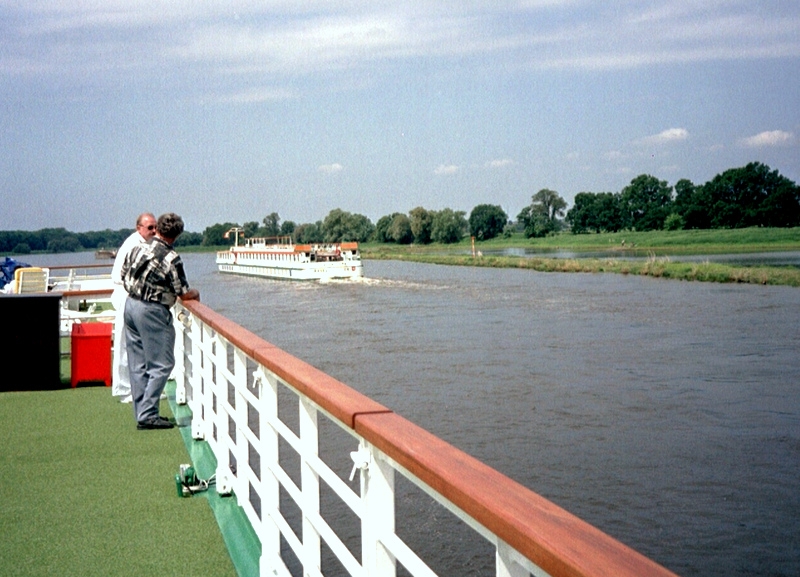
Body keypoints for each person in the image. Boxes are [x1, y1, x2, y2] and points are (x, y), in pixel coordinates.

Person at [122, 212, 200, 430]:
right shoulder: (171, 258)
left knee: (138, 364)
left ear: (157, 229)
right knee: (162, 364)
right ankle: (147, 414)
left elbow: (123, 274)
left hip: (130, 306)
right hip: (152, 310)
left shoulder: (137, 248)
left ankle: (142, 412)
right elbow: (183, 292)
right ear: (176, 236)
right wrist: (196, 293)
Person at [111, 213, 157, 402]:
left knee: (139, 345)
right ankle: (124, 389)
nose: (154, 231)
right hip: (126, 296)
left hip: (137, 298)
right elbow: (117, 275)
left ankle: (140, 387)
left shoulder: (147, 244)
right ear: (139, 228)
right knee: (124, 344)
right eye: (150, 228)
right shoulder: (132, 244)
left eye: (156, 227)